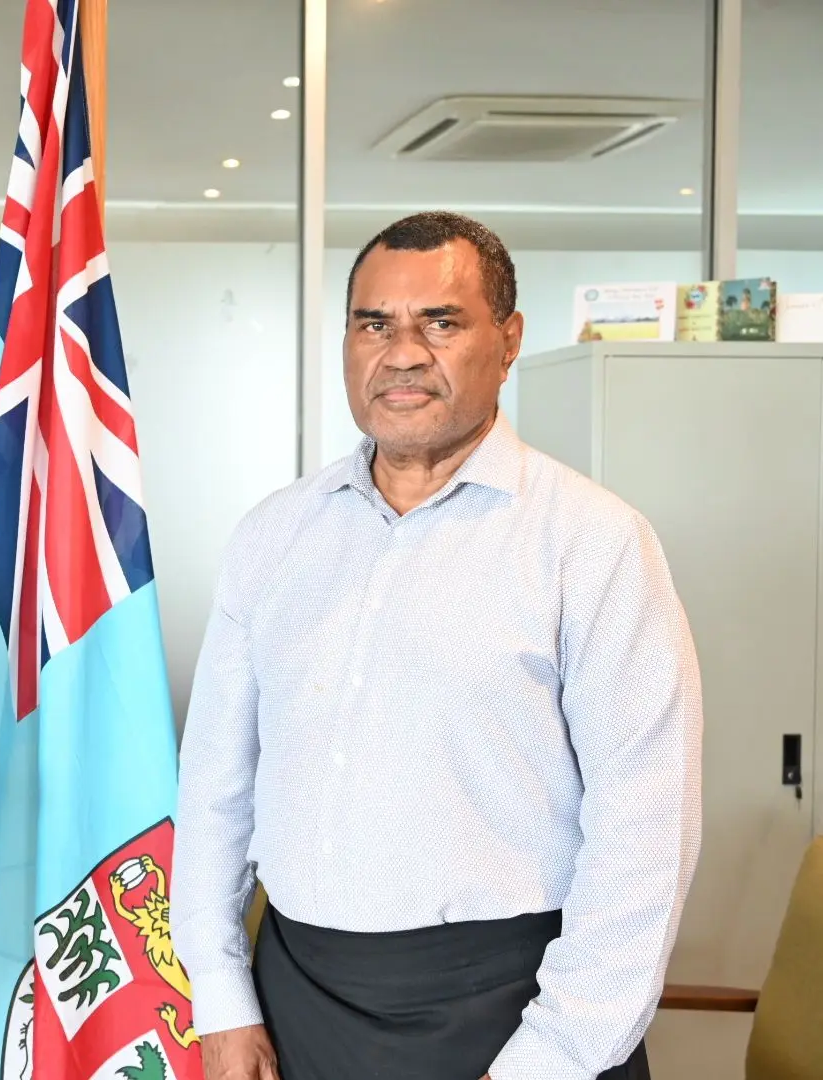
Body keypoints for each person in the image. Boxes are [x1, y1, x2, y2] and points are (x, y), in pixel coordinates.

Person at [172, 212, 702, 1080]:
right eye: (374, 323)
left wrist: (555, 1057)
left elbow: (645, 834)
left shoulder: (593, 542)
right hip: (296, 1000)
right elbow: (215, 790)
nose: (403, 352)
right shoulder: (274, 536)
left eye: (441, 323)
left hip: (515, 1009)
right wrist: (220, 999)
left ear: (509, 339)